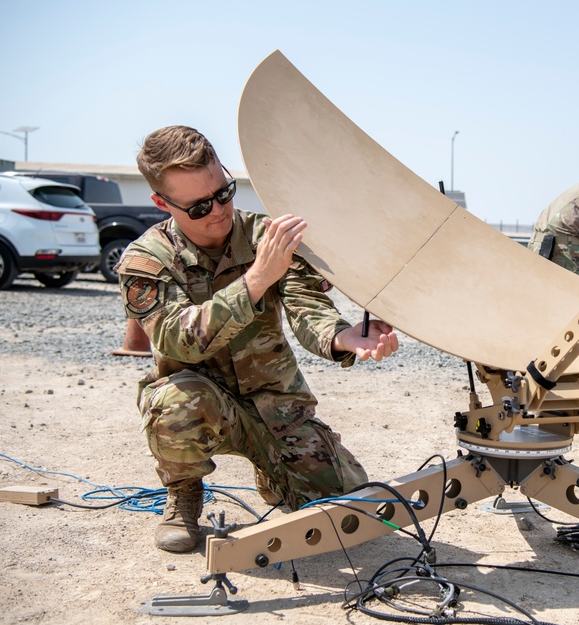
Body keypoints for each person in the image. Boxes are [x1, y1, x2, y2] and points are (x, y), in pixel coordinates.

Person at [117, 125, 399, 553]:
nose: (217, 210)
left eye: (224, 192)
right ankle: (183, 494)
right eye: (198, 207)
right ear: (162, 203)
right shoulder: (146, 261)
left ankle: (276, 472)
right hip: (202, 404)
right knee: (174, 403)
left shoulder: (268, 238)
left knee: (352, 513)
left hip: (278, 410)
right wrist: (257, 278)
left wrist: (345, 337)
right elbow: (177, 340)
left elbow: (310, 310)